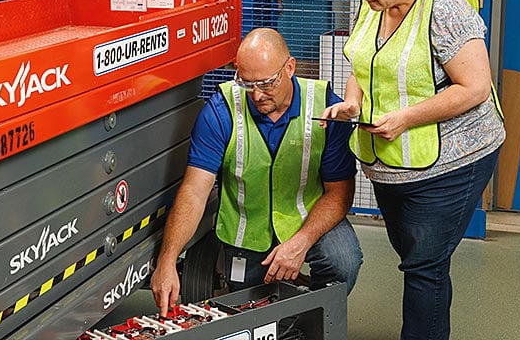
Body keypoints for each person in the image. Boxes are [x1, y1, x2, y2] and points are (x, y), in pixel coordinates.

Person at [320, 0, 506, 339]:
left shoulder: (445, 9)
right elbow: (364, 64)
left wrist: (406, 118)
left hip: (456, 157)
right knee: (419, 257)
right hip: (392, 164)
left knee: (424, 265)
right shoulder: (372, 7)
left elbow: (474, 87)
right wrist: (352, 103)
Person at [151, 27, 363, 316]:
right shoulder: (221, 110)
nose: (257, 95)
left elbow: (339, 193)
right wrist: (167, 259)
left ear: (290, 68)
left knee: (343, 261)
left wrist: (300, 243)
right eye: (247, 83)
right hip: (246, 231)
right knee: (250, 310)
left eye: (266, 83)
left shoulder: (325, 106)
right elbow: (194, 191)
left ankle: (309, 318)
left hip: (306, 219)